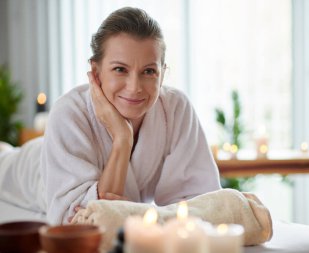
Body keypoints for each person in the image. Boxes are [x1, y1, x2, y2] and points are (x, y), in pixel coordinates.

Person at [0, 7, 221, 224]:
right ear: (96, 73)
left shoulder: (175, 109)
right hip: (31, 167)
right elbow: (85, 223)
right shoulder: (68, 113)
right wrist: (122, 139)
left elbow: (199, 202)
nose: (135, 87)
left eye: (149, 71)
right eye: (120, 69)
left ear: (162, 75)